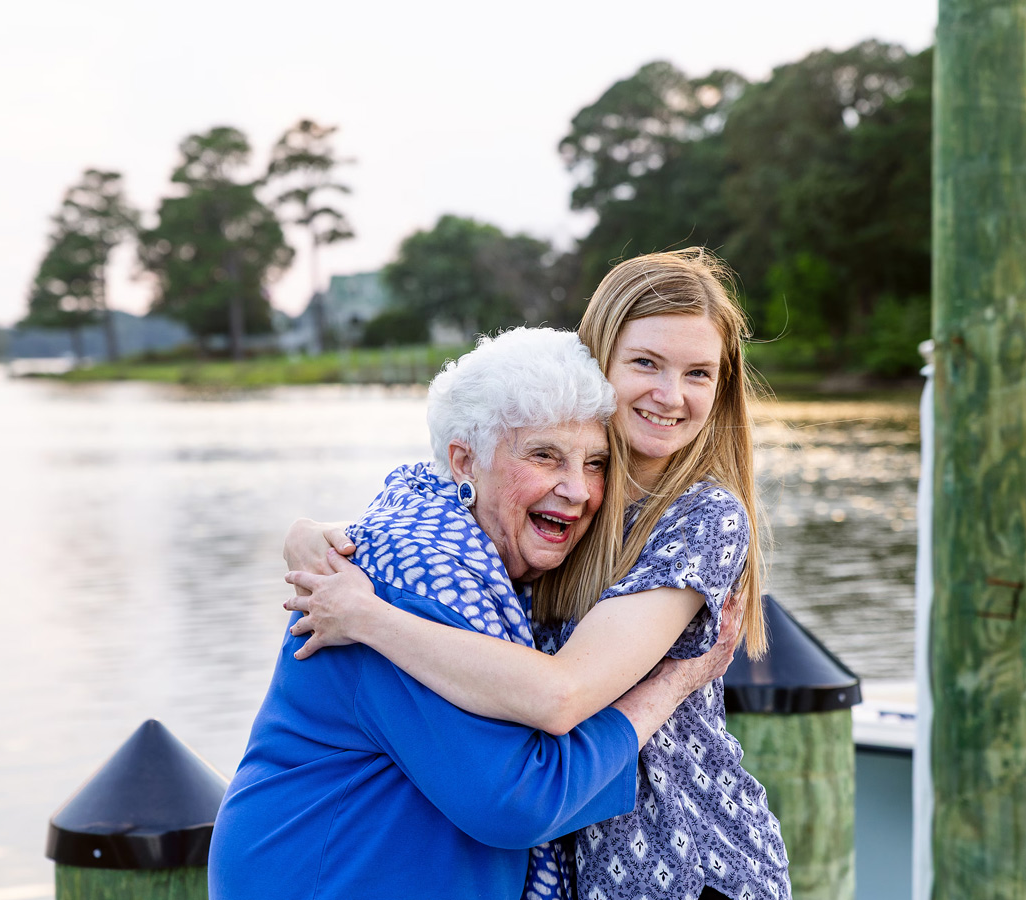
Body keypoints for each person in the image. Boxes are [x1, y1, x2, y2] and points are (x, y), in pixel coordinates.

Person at [284, 249, 791, 900]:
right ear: (598, 361)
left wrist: (369, 619)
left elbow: (561, 695)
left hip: (687, 864)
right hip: (579, 852)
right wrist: (308, 535)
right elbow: (444, 502)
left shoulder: (703, 519)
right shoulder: (571, 501)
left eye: (699, 373)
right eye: (646, 363)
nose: (672, 395)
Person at [208, 327, 739, 900]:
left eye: (595, 463)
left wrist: (306, 530)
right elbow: (516, 801)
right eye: (544, 455)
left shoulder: (494, 564)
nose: (579, 490)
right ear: (464, 461)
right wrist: (677, 680)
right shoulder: (406, 576)